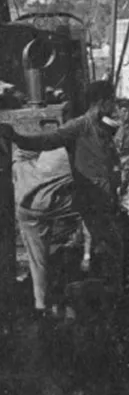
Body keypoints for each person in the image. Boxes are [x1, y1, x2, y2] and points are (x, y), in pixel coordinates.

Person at [1, 81, 126, 295]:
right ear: (102, 102)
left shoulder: (101, 128)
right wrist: (17, 137)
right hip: (93, 201)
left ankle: (106, 295)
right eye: (111, 100)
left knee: (111, 251)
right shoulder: (80, 126)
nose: (113, 105)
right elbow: (49, 140)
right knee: (109, 251)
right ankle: (101, 298)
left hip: (104, 200)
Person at [12, 122, 77, 319]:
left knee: (37, 260)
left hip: (24, 203)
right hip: (49, 205)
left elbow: (20, 154)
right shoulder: (75, 155)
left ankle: (41, 305)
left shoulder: (48, 150)